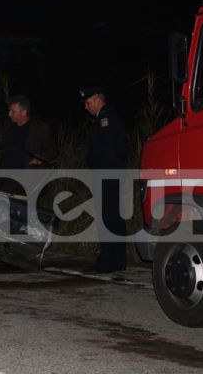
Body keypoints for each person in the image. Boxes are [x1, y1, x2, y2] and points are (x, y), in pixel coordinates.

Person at [80, 87, 128, 273]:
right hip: (111, 174)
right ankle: (116, 259)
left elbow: (108, 151)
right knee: (113, 216)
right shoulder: (108, 117)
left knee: (108, 217)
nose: (86, 107)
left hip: (107, 174)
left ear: (97, 100)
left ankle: (109, 260)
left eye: (88, 102)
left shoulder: (105, 119)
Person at [1, 95, 56, 169]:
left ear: (24, 112)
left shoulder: (41, 128)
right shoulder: (8, 125)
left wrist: (40, 158)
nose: (9, 114)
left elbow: (52, 151)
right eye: (9, 111)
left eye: (13, 111)